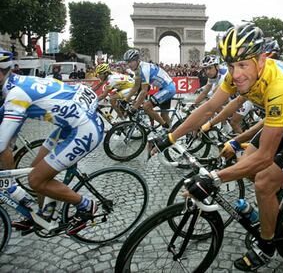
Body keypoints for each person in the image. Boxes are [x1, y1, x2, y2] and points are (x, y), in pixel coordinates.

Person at [152, 23, 283, 271]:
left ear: (261, 60)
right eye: (230, 66)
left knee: (264, 182)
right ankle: (274, 201)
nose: (235, 74)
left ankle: (268, 246)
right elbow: (209, 108)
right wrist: (170, 137)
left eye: (242, 65)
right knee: (243, 165)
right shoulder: (241, 75)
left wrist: (214, 179)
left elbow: (264, 157)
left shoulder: (278, 85)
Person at [0, 50, 103, 234]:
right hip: (69, 126)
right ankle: (45, 214)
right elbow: (7, 134)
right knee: (35, 168)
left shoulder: (16, 95)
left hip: (84, 129)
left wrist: (9, 181)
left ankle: (86, 205)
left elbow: (1, 144)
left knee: (35, 179)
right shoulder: (15, 85)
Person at [123, 49, 176, 129]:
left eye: (130, 61)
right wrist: (125, 100)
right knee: (164, 114)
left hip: (168, 89)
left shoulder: (144, 69)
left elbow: (144, 91)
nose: (129, 64)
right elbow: (136, 86)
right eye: (127, 62)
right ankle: (169, 131)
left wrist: (134, 108)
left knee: (146, 107)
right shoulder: (138, 69)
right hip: (165, 88)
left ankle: (165, 126)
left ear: (137, 60)